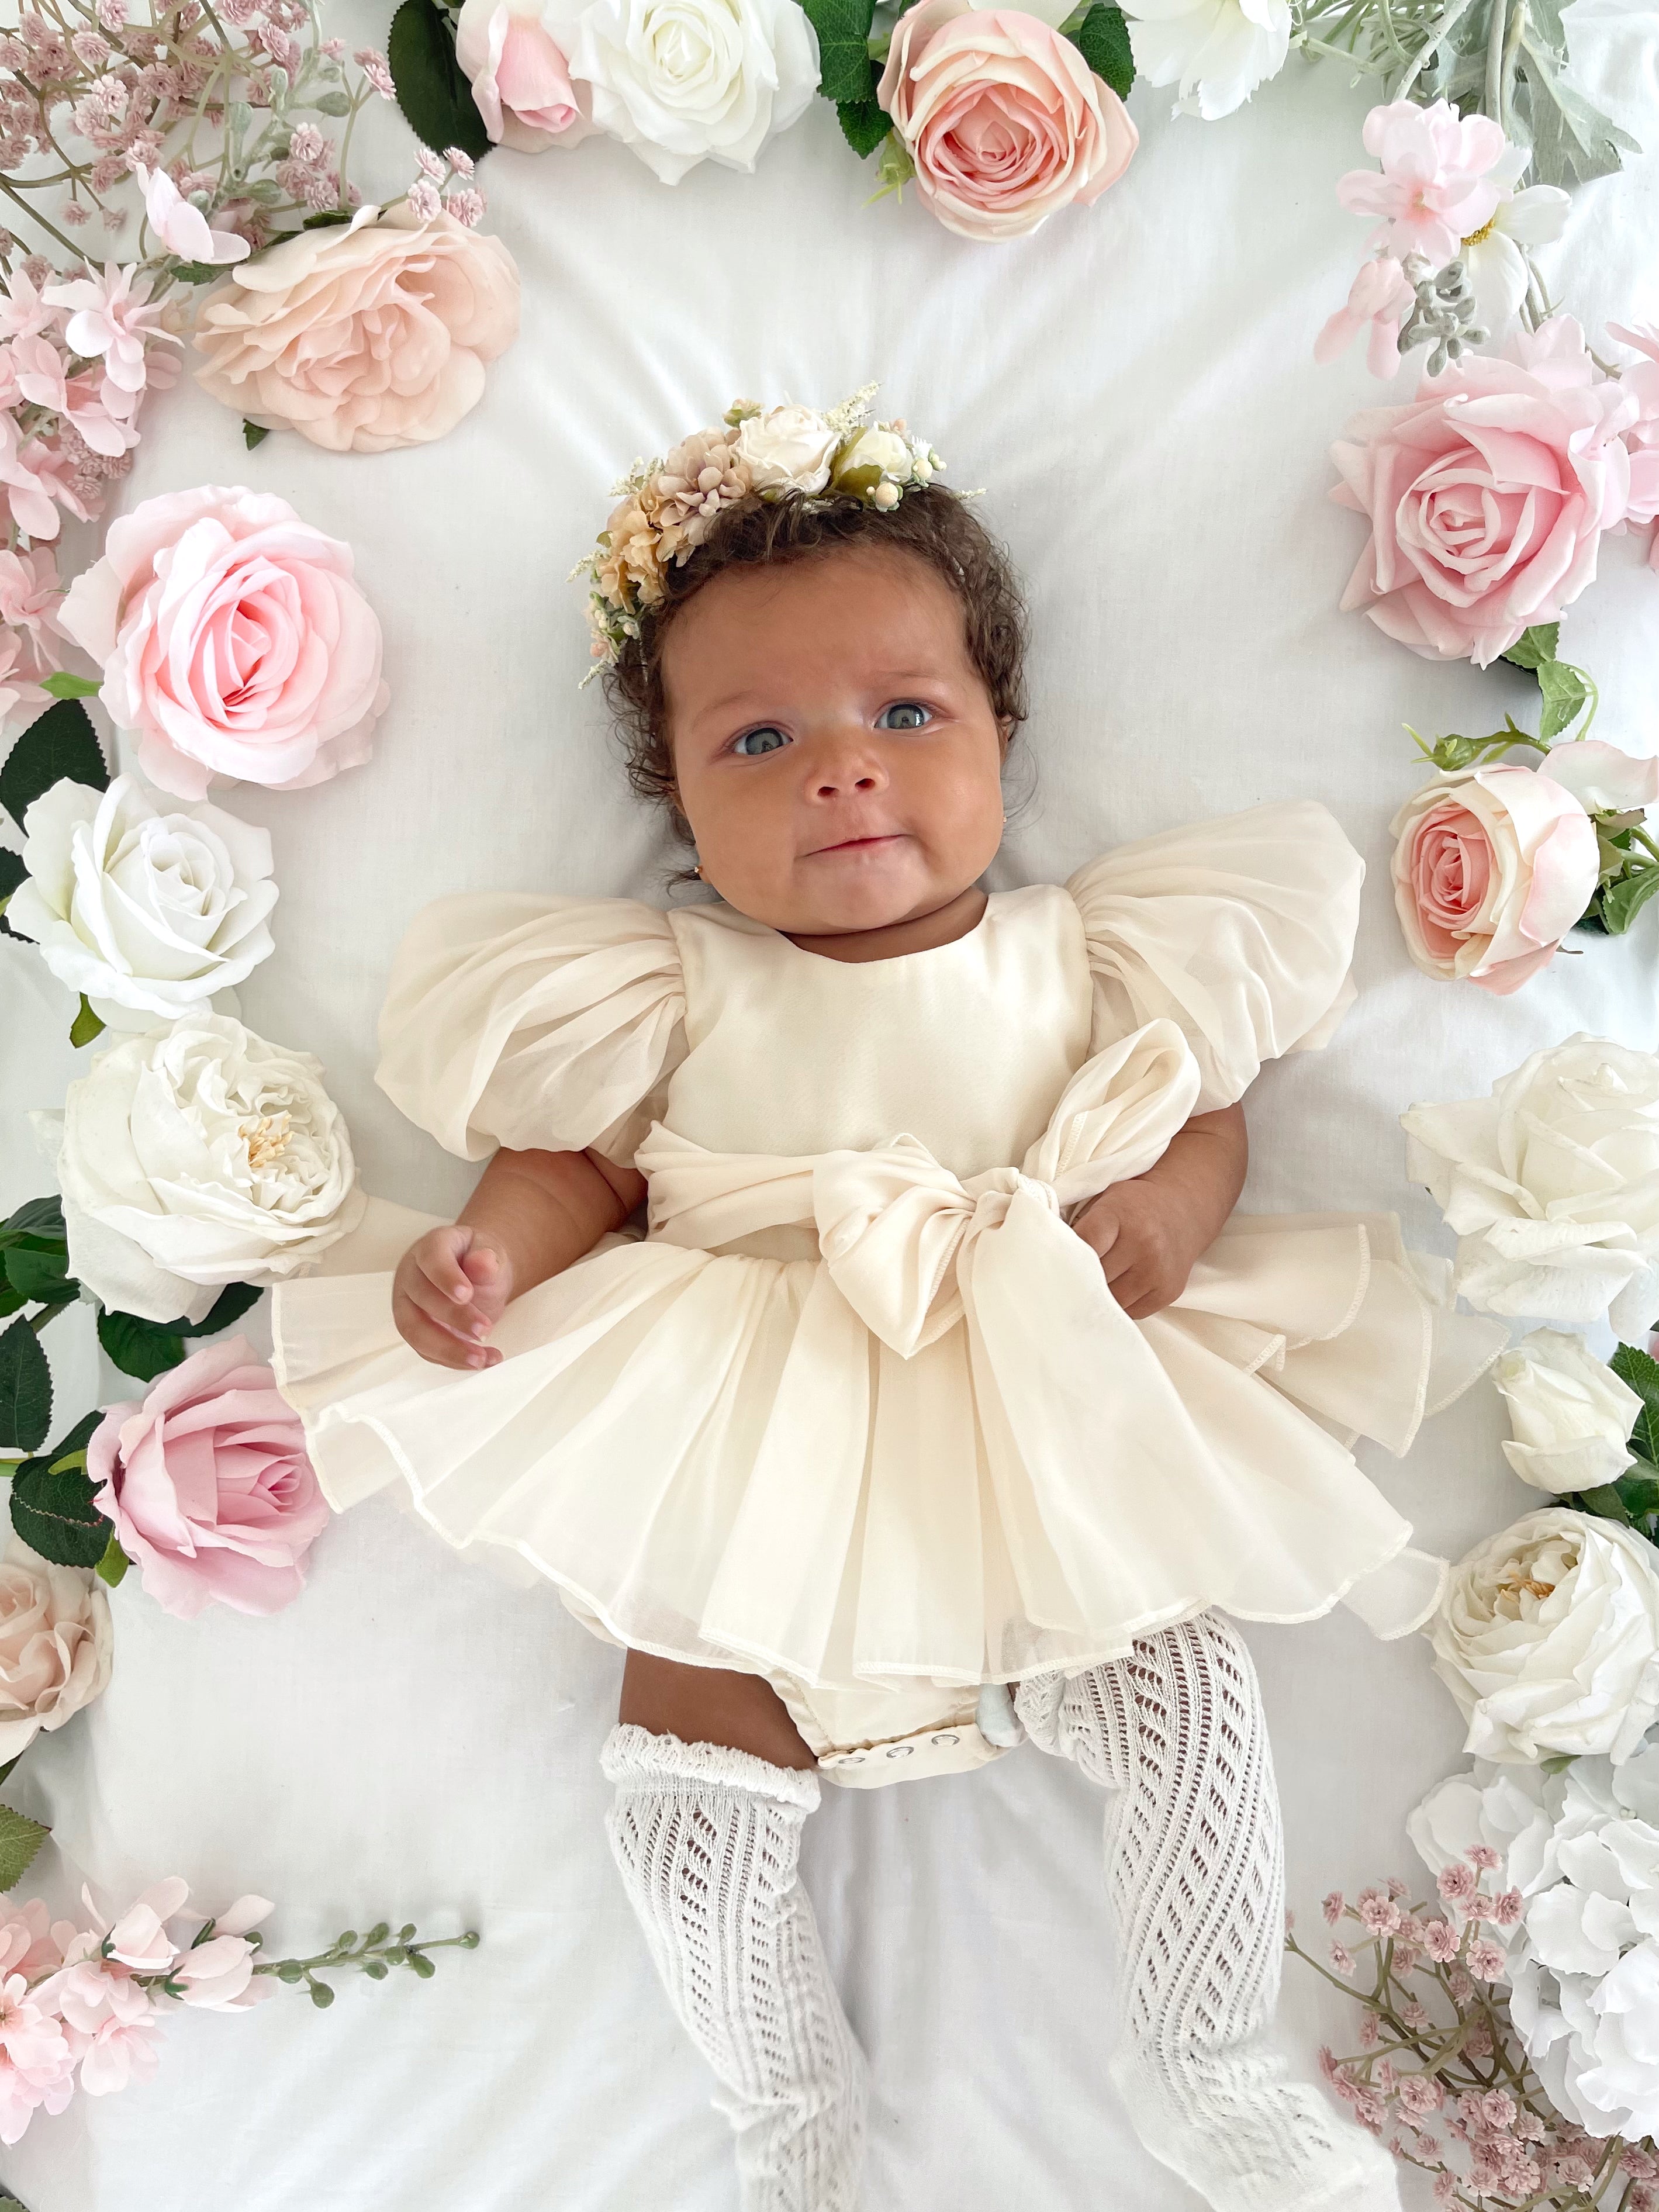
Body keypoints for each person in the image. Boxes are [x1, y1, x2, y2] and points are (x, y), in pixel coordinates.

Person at [273, 395, 1501, 2212]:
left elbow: (1199, 1105)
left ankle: (1206, 2062)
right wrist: (492, 1254)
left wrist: (1169, 1213)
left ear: (1007, 732)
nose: (842, 772)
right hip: (740, 1418)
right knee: (684, 1760)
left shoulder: (1089, 955)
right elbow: (575, 1162)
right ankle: (790, 2118)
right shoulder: (671, 990)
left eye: (906, 715)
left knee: (1187, 1685)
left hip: (1037, 1407)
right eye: (759, 738)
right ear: (674, 794)